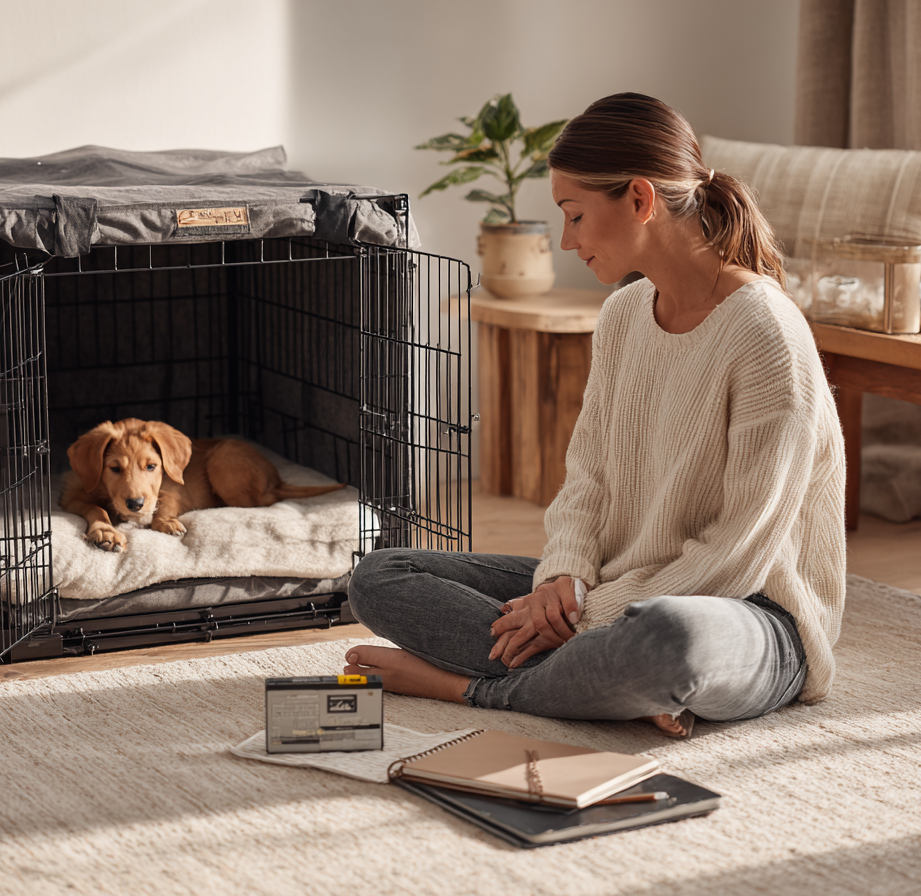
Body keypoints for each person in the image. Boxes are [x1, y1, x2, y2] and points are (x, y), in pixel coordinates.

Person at [343, 93, 846, 737]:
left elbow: (738, 551)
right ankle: (606, 683)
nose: (565, 240)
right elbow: (588, 477)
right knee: (381, 574)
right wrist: (564, 578)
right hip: (612, 586)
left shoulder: (767, 332)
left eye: (575, 215)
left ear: (640, 200)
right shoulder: (624, 316)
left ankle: (466, 687)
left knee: (668, 638)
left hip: (747, 613)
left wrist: (582, 615)